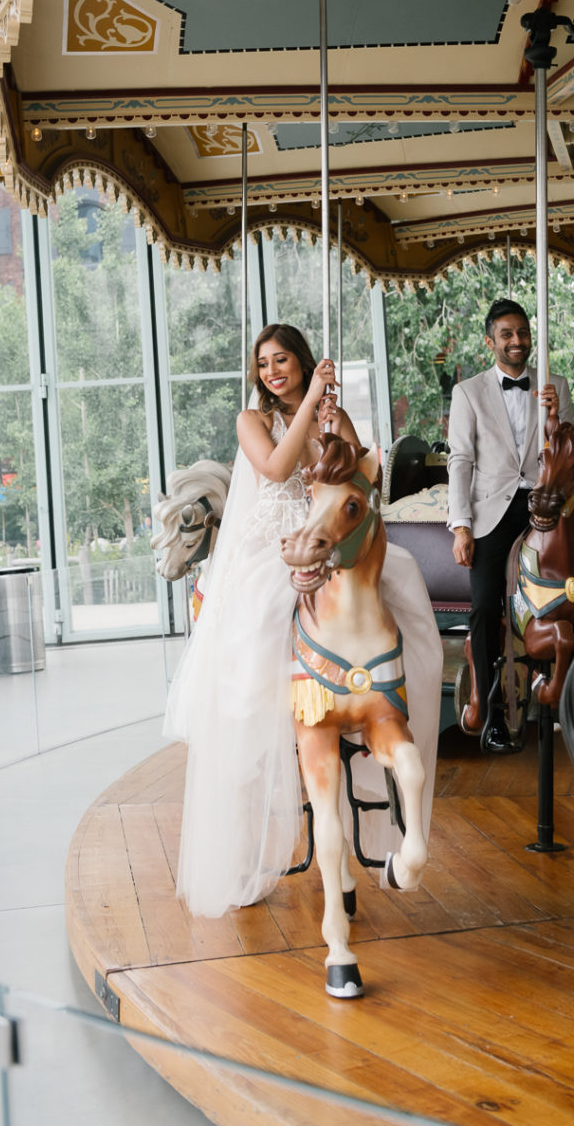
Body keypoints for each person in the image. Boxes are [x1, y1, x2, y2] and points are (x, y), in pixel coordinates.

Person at [163, 323, 442, 920]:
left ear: (303, 359)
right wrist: (312, 403)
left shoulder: (330, 414)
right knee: (264, 616)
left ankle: (405, 694)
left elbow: (368, 479)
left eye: (282, 359)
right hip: (277, 549)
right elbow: (273, 470)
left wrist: (339, 426)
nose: (272, 371)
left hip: (332, 541)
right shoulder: (253, 421)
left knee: (405, 582)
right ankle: (273, 720)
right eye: (263, 363)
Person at [447, 298, 574, 753]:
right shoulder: (469, 392)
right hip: (497, 509)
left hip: (548, 502)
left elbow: (568, 451)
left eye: (523, 333)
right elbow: (461, 460)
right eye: (506, 334)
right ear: (491, 342)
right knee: (485, 606)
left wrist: (554, 418)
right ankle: (488, 712)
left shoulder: (554, 384)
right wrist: (461, 526)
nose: (517, 341)